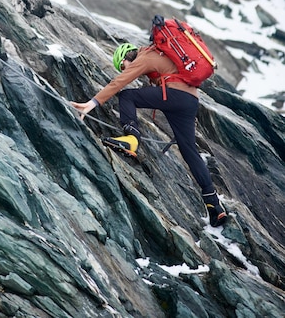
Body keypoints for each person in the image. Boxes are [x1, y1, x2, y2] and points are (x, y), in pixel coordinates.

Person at [70, 41, 228, 227]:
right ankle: (214, 205)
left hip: (174, 95)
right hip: (190, 100)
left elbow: (119, 82)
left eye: (122, 66)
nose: (124, 69)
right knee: (189, 151)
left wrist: (93, 103)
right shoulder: (158, 56)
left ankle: (131, 139)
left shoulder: (144, 57)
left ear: (126, 57)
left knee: (127, 95)